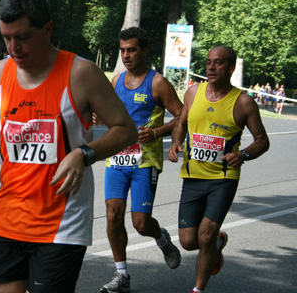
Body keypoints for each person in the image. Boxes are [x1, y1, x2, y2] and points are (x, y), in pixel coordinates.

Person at [0, 0, 138, 293]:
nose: (14, 48)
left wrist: (84, 154)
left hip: (61, 224)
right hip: (7, 216)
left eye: (22, 37)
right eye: (7, 38)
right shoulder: (0, 72)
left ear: (47, 29)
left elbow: (125, 129)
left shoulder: (81, 73)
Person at [168, 46, 269, 293]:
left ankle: (198, 289)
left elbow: (262, 141)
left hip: (222, 179)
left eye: (219, 63)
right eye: (209, 62)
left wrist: (243, 154)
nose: (212, 67)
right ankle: (218, 243)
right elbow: (181, 122)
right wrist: (176, 142)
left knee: (205, 236)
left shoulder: (243, 102)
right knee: (188, 241)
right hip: (192, 177)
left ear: (231, 68)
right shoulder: (193, 92)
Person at [99, 27, 183, 292]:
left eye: (132, 49)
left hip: (145, 162)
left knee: (140, 223)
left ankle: (162, 239)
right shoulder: (116, 81)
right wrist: (98, 117)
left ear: (144, 50)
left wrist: (158, 132)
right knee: (113, 216)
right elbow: (112, 116)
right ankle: (122, 275)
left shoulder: (157, 83)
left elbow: (182, 116)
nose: (126, 55)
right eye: (122, 50)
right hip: (117, 160)